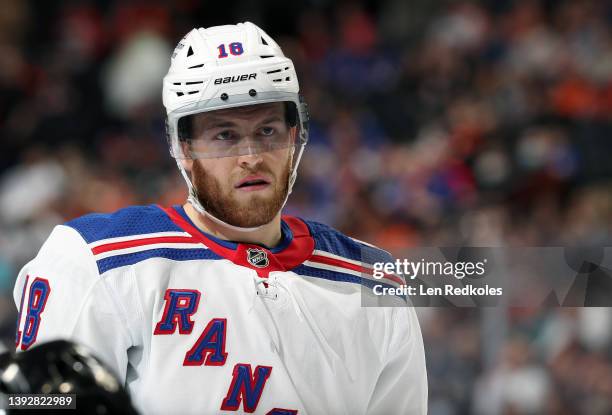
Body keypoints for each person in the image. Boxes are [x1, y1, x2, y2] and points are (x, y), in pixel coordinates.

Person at [13, 22, 427, 414]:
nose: (250, 157)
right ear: (185, 148)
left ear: (295, 135)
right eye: (225, 135)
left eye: (267, 130)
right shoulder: (97, 259)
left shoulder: (374, 280)